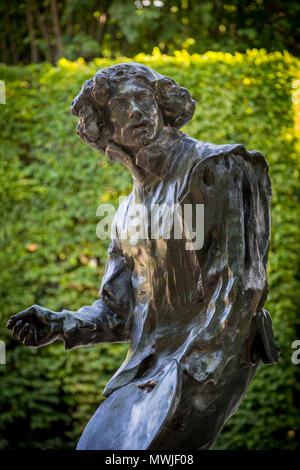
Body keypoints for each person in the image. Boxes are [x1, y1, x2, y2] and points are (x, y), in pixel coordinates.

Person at [7, 63, 279, 449]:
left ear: (162, 105)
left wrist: (190, 371)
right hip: (150, 369)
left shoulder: (216, 168)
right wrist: (61, 323)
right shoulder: (124, 216)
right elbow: (119, 311)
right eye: (120, 106)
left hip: (211, 357)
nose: (135, 111)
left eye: (143, 99)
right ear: (103, 125)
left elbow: (241, 286)